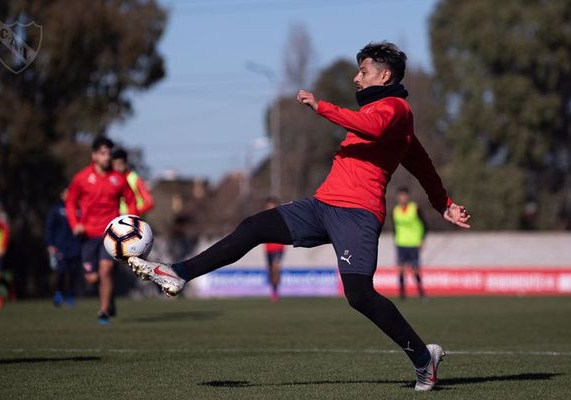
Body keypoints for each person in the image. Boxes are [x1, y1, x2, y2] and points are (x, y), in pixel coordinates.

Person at [126, 42, 470, 391]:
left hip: (357, 215)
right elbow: (418, 161)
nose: (356, 78)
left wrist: (322, 106)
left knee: (359, 295)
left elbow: (399, 147)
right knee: (255, 225)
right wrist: (443, 202)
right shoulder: (380, 114)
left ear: (385, 75)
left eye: (363, 72)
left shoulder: (396, 110)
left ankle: (424, 360)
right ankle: (180, 273)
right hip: (321, 206)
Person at [66, 136, 137, 324]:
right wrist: (75, 224)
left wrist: (131, 224)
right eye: (103, 153)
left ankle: (104, 311)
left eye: (109, 153)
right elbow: (71, 202)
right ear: (94, 155)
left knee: (106, 270)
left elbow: (131, 200)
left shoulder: (118, 179)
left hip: (110, 234)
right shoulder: (81, 178)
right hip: (87, 235)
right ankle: (108, 297)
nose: (107, 157)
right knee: (92, 277)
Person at [45, 188, 82, 307]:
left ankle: (70, 295)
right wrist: (50, 244)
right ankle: (59, 293)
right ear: (61, 195)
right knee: (61, 271)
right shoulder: (56, 209)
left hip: (76, 246)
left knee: (73, 273)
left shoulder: (79, 209)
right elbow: (49, 228)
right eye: (66, 193)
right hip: (60, 246)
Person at [392, 187, 427, 300]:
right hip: (401, 243)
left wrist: (421, 240)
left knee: (415, 269)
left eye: (404, 195)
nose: (402, 198)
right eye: (400, 196)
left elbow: (425, 225)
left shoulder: (415, 208)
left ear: (408, 196)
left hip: (413, 243)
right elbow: (394, 227)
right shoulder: (395, 210)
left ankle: (421, 293)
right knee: (401, 269)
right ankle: (402, 294)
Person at [111, 148, 154, 217]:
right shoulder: (111, 180)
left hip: (135, 220)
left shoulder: (134, 178)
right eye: (114, 164)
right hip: (117, 220)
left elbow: (149, 202)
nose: (117, 167)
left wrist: (134, 213)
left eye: (120, 164)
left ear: (126, 163)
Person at [263, 197, 284, 302]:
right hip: (268, 249)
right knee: (271, 270)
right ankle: (274, 289)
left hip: (278, 248)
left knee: (276, 268)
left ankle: (275, 292)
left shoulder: (280, 218)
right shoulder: (264, 219)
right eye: (268, 207)